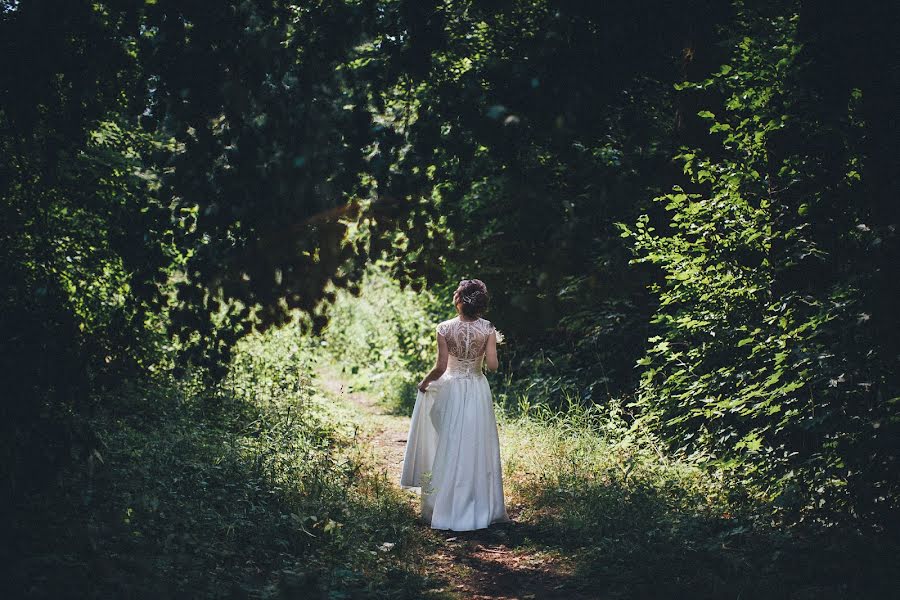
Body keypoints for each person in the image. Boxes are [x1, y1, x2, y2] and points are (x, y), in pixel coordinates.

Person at [399, 279, 510, 531]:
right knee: (476, 443)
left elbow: (440, 368)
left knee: (449, 443)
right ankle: (479, 504)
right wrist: (489, 348)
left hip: (451, 389)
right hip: (477, 389)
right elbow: (492, 367)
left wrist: (424, 383)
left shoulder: (444, 328)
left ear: (458, 300)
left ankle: (445, 505)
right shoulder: (488, 329)